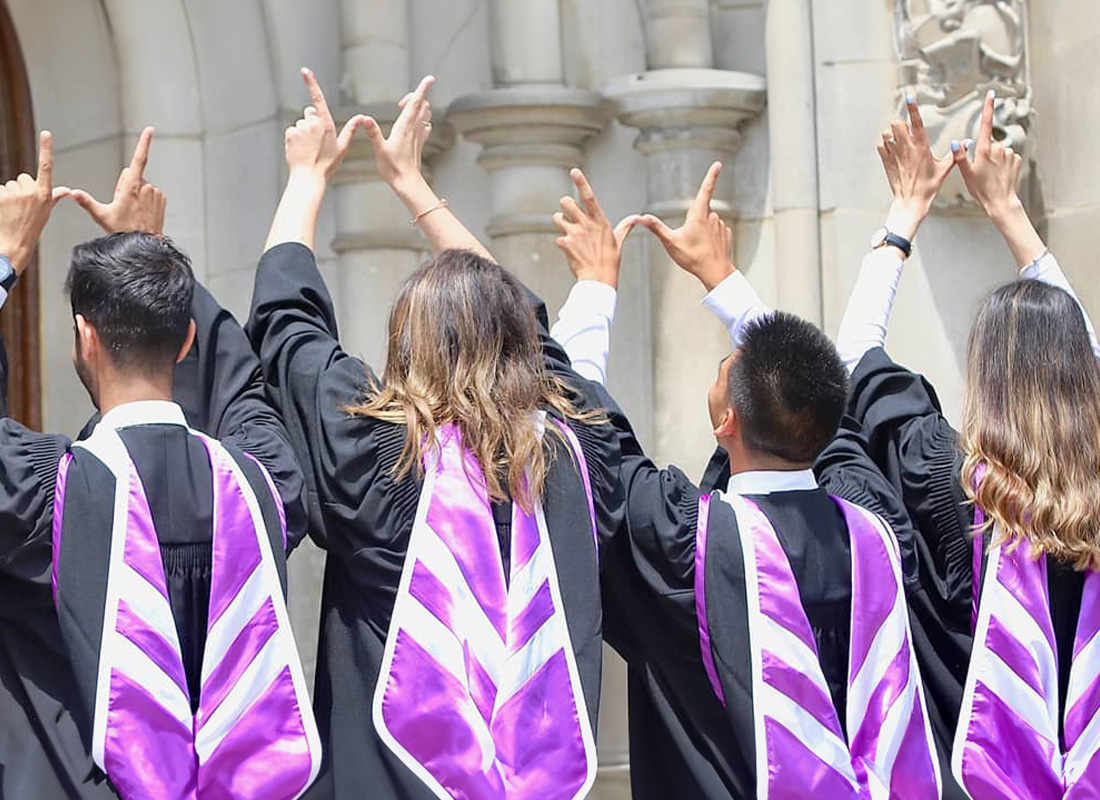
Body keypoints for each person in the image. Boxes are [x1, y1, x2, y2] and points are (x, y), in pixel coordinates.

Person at [246, 70, 624, 800]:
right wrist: (416, 188)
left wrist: (307, 176)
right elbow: (537, 333)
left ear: (404, 346)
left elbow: (288, 327)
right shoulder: (574, 458)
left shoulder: (376, 457)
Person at [549, 164, 940, 798]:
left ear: (727, 419)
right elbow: (823, 405)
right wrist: (723, 280)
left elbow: (589, 433)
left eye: (723, 367)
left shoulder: (687, 542)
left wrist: (595, 287)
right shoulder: (876, 529)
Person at [0, 129, 320, 799]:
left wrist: (5, 256)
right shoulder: (263, 488)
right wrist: (158, 260)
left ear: (83, 338)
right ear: (188, 341)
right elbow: (244, 389)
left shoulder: (40, 497)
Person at [837, 90, 1100, 798]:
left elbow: (852, 361)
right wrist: (1010, 214)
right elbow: (1084, 354)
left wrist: (902, 218)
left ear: (982, 376)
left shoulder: (949, 484)